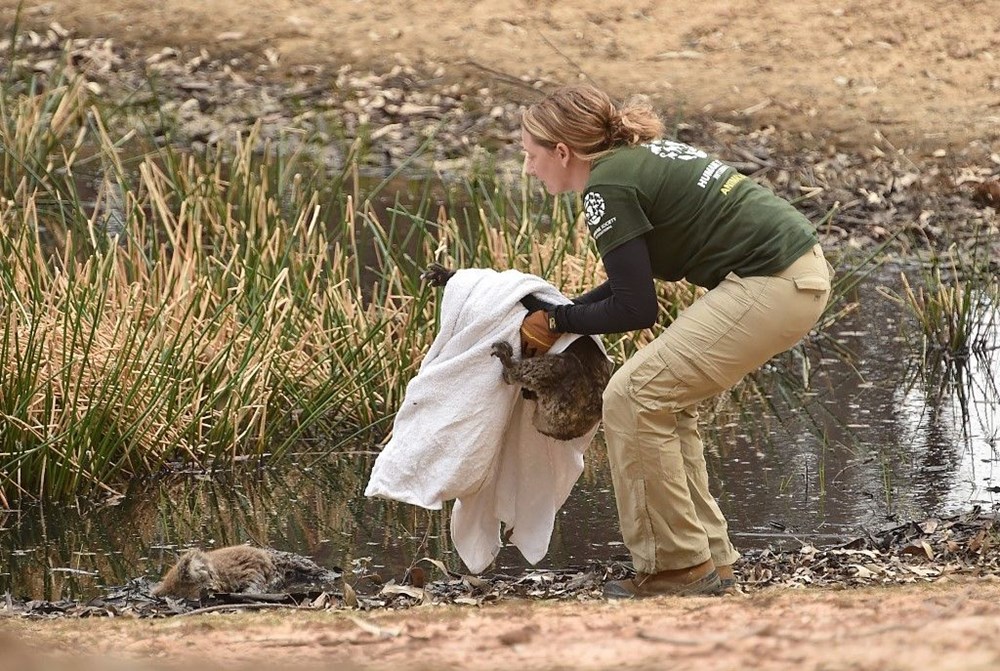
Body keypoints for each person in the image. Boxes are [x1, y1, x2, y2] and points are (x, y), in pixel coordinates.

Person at [516, 84, 833, 598]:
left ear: (562, 152)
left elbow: (637, 309)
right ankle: (707, 560)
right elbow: (630, 284)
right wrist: (561, 316)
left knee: (633, 397)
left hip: (773, 282)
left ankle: (675, 568)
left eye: (531, 156)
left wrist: (556, 323)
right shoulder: (628, 162)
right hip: (792, 276)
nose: (528, 169)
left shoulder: (606, 188)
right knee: (662, 403)